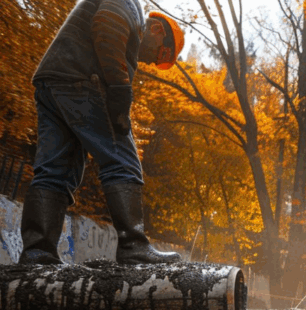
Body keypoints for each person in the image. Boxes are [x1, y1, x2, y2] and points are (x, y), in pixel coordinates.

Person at [20, 4, 185, 265]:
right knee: (122, 161)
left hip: (53, 79)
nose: (153, 61)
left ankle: (37, 253)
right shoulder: (130, 6)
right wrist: (120, 88)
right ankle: (133, 248)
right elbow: (107, 25)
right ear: (156, 29)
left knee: (55, 170)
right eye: (162, 53)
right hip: (83, 78)